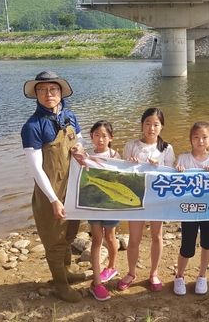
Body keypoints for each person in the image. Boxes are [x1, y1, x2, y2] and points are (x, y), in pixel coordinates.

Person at [21, 71, 86, 303]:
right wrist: (54, 200)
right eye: (43, 90)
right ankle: (60, 286)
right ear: (36, 94)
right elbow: (37, 170)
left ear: (60, 92)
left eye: (53, 89)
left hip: (72, 185)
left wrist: (79, 148)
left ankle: (66, 272)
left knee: (69, 234)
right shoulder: (32, 126)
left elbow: (79, 140)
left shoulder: (69, 116)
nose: (49, 94)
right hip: (50, 190)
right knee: (55, 239)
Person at [118, 108, 175, 292]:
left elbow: (171, 175)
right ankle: (131, 272)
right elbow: (122, 174)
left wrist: (160, 167)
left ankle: (154, 272)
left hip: (157, 198)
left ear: (162, 127)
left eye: (156, 124)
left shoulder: (166, 148)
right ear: (142, 125)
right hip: (135, 197)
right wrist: (130, 164)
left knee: (156, 236)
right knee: (134, 238)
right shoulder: (131, 146)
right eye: (148, 123)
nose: (151, 128)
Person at [173, 121, 209, 296]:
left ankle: (202, 275)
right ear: (191, 139)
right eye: (196, 137)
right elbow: (175, 185)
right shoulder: (183, 159)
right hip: (190, 209)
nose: (200, 141)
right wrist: (178, 173)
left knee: (208, 243)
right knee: (187, 245)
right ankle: (179, 275)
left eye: (204, 137)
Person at [87, 120, 121, 301]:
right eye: (97, 135)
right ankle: (96, 282)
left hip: (110, 205)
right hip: (93, 205)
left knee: (110, 236)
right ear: (91, 136)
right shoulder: (85, 155)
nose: (101, 139)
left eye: (104, 136)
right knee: (97, 239)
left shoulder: (116, 155)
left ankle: (112, 266)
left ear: (111, 138)